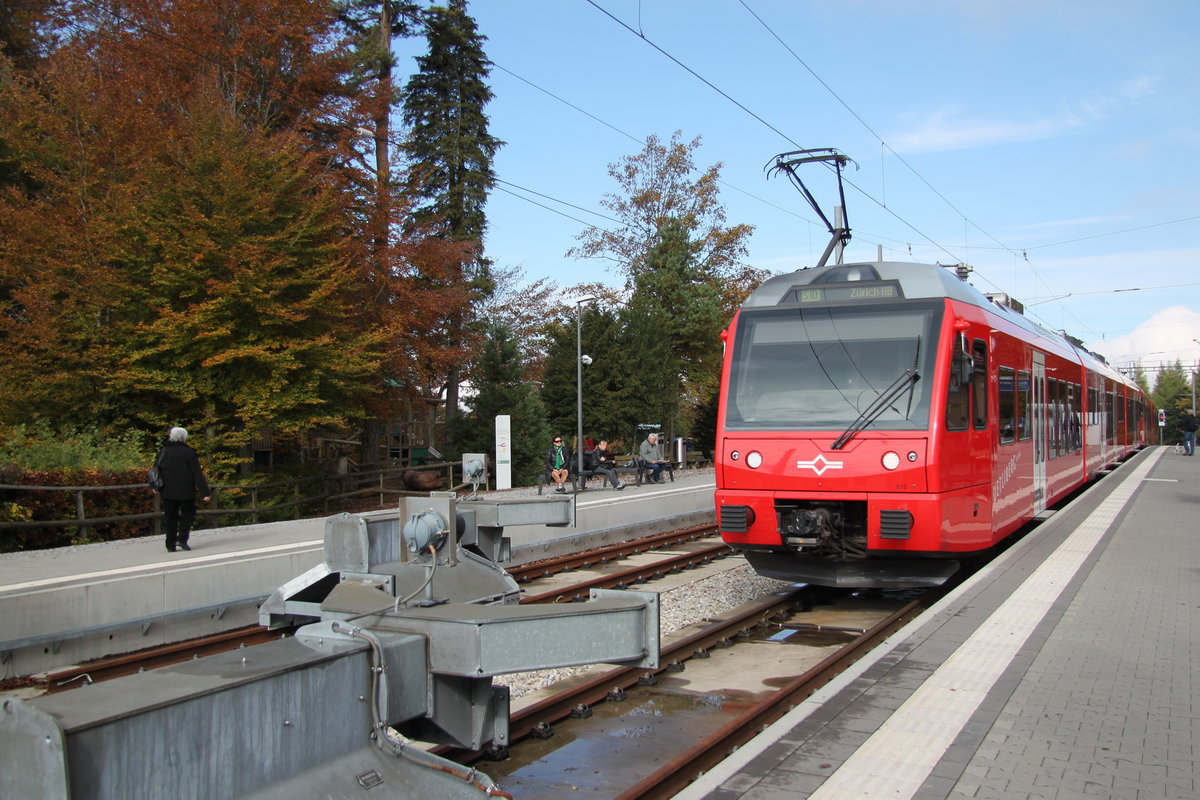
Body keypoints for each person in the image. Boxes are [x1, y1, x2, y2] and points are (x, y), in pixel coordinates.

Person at [156, 427, 210, 552]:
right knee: (188, 514)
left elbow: (156, 471)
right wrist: (204, 492)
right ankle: (182, 538)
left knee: (170, 517)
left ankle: (170, 544)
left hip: (167, 491)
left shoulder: (163, 451)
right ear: (184, 438)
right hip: (186, 489)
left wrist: (155, 486)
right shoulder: (189, 452)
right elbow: (196, 473)